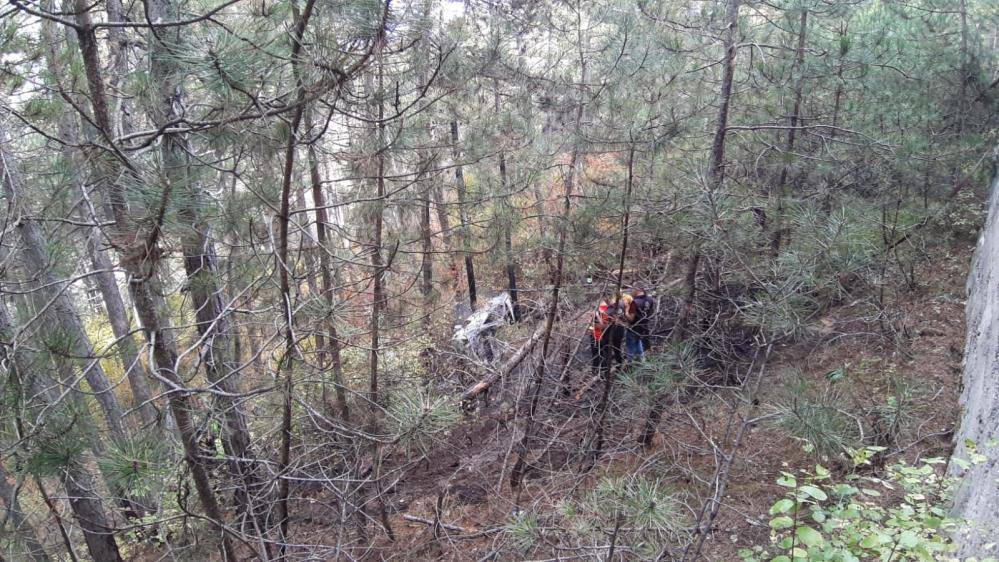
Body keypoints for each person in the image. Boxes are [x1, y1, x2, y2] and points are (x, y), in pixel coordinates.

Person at [589, 296, 624, 378]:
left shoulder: (607, 311)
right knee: (616, 350)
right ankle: (618, 366)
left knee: (604, 354)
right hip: (618, 331)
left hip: (606, 335)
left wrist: (596, 317)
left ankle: (604, 373)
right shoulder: (621, 303)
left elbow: (603, 326)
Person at [630, 288, 655, 353]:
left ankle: (632, 362)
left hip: (635, 328)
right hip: (646, 326)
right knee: (646, 346)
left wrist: (626, 313)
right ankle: (647, 360)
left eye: (633, 289)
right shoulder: (650, 299)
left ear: (637, 290)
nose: (632, 292)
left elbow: (631, 319)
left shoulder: (635, 302)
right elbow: (651, 312)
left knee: (633, 349)